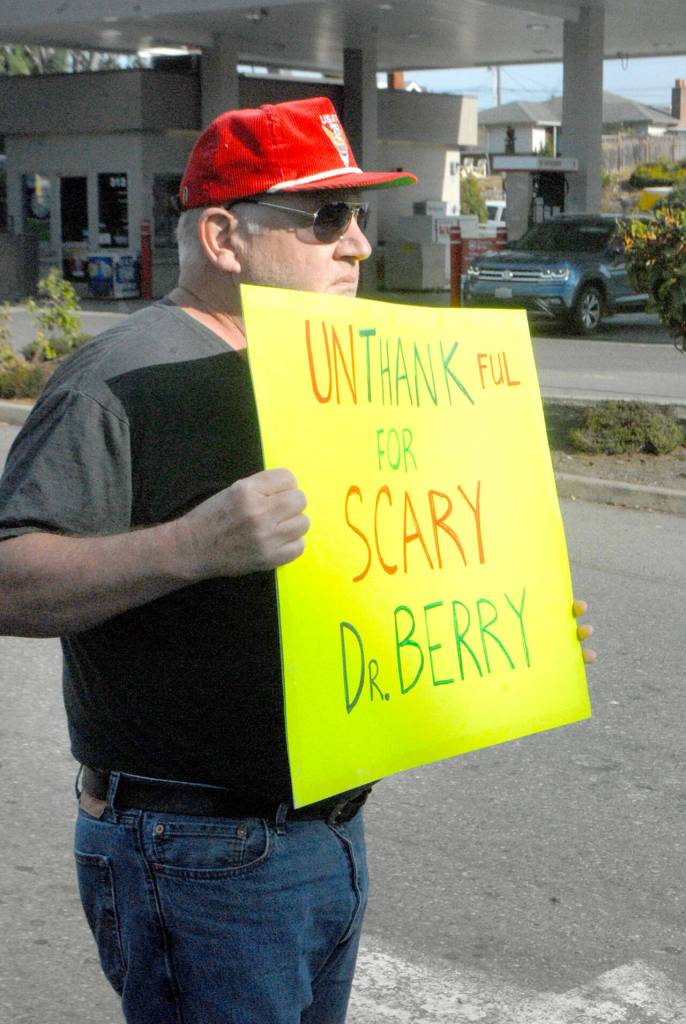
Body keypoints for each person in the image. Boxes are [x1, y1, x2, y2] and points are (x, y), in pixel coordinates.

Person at [0, 96, 595, 1024]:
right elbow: (10, 576)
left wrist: (518, 620)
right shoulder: (121, 375)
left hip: (324, 831)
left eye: (357, 217)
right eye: (326, 217)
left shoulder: (336, 372)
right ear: (226, 236)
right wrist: (190, 546)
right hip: (197, 847)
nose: (356, 244)